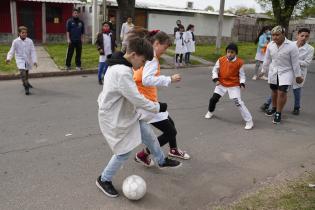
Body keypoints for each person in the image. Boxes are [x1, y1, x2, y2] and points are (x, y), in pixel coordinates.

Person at [96, 38, 181, 198]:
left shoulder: (120, 64)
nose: (142, 65)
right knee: (124, 152)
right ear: (134, 55)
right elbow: (137, 98)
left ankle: (161, 160)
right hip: (116, 118)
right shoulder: (121, 72)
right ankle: (104, 179)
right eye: (142, 61)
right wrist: (158, 107)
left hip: (127, 113)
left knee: (148, 134)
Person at [133, 31, 191, 167]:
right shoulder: (151, 58)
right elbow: (147, 80)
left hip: (148, 101)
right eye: (164, 48)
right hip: (146, 104)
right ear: (156, 43)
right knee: (171, 131)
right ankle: (143, 154)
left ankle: (174, 149)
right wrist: (169, 79)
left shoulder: (145, 55)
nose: (165, 51)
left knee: (171, 124)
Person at [260, 28, 314, 115]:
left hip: (299, 71)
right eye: (302, 35)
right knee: (280, 89)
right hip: (286, 70)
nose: (304, 38)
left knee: (297, 90)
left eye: (306, 36)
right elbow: (271, 57)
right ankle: (268, 104)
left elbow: (307, 63)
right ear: (298, 35)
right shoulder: (290, 44)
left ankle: (297, 107)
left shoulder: (310, 49)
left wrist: (294, 61)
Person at [204, 43, 254, 130]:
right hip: (221, 83)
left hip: (234, 85)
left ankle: (249, 121)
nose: (230, 54)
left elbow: (242, 75)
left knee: (238, 103)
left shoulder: (239, 62)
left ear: (236, 53)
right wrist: (216, 79)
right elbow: (215, 70)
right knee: (213, 99)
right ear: (226, 52)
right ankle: (210, 111)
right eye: (228, 52)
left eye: (232, 52)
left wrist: (242, 83)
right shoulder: (220, 60)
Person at [6, 26, 37, 95]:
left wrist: (34, 60)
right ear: (19, 33)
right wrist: (8, 58)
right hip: (20, 60)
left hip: (28, 59)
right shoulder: (15, 41)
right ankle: (26, 87)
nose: (24, 34)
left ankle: (27, 82)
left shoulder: (30, 41)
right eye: (22, 33)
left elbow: (33, 51)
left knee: (26, 72)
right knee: (22, 74)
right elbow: (12, 51)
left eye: (25, 33)